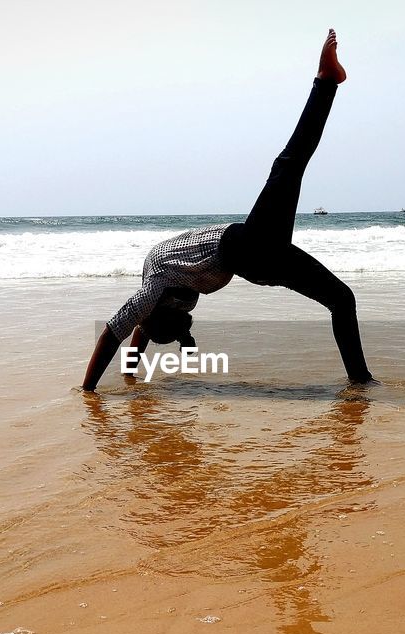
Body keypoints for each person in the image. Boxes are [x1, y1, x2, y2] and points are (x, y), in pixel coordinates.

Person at [80, 29, 374, 392]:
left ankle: (361, 384)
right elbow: (144, 330)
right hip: (251, 257)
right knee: (289, 167)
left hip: (243, 247)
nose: (184, 313)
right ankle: (327, 83)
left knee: (340, 295)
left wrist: (88, 391)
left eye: (176, 316)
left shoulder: (153, 285)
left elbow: (116, 330)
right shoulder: (160, 300)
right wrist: (129, 373)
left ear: (156, 310)